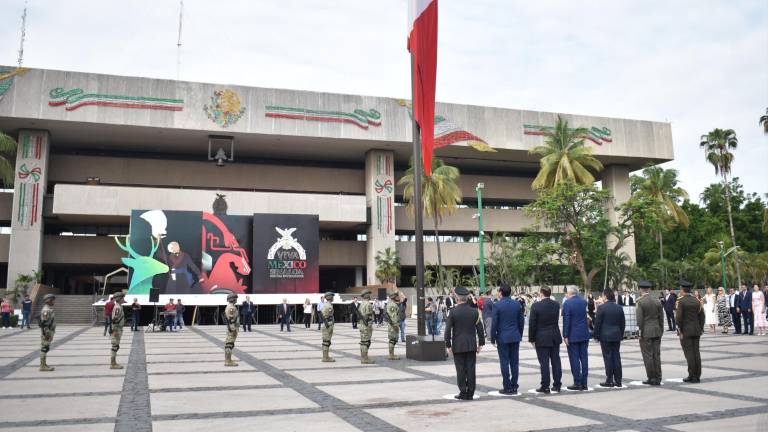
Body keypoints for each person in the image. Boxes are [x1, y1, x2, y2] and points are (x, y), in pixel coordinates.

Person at [444, 286, 485, 401]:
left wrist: (448, 345)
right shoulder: (474, 312)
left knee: (460, 369)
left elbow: (447, 330)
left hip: (458, 345)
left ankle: (463, 391)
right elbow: (480, 329)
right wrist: (481, 343)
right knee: (471, 369)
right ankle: (470, 392)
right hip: (471, 344)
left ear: (457, 298)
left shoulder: (453, 312)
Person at [490, 283, 524, 395]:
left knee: (504, 363)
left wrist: (493, 338)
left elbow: (494, 323)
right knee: (515, 363)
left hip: (503, 337)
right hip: (515, 336)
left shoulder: (497, 305)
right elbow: (521, 322)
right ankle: (514, 385)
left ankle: (507, 386)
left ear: (500, 292)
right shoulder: (517, 304)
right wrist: (520, 334)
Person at [528, 286, 563, 394]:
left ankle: (545, 386)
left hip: (542, 336)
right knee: (556, 361)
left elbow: (532, 324)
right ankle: (557, 385)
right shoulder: (556, 304)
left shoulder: (536, 306)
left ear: (541, 294)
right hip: (554, 335)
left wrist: (532, 339)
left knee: (544, 363)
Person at [594, 288, 625, 388]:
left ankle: (609, 380)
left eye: (603, 295)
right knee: (616, 357)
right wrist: (621, 334)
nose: (602, 297)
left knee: (608, 358)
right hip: (616, 335)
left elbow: (597, 323)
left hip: (605, 336)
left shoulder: (601, 308)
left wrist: (596, 336)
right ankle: (618, 380)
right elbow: (622, 323)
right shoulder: (619, 307)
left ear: (605, 296)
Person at [676, 279, 705, 383]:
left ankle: (692, 375)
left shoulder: (681, 301)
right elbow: (702, 316)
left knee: (689, 354)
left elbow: (678, 318)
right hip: (696, 330)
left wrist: (680, 330)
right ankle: (697, 375)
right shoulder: (697, 300)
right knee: (696, 352)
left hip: (686, 331)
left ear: (682, 290)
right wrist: (701, 328)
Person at [562, 286, 590, 391]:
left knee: (574, 359)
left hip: (573, 335)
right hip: (584, 334)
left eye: (566, 293)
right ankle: (585, 383)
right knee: (584, 358)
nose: (566, 295)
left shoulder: (567, 303)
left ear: (570, 293)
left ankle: (577, 382)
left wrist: (565, 335)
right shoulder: (583, 302)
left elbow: (567, 320)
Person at [636, 280, 663, 386]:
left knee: (648, 356)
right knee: (656, 355)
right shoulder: (657, 301)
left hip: (646, 332)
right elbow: (661, 317)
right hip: (657, 330)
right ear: (649, 289)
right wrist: (661, 329)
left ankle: (651, 378)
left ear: (640, 289)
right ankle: (658, 377)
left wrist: (639, 333)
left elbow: (640, 320)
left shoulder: (640, 301)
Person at [39, 294, 56, 372]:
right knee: (44, 348)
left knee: (46, 347)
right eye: (53, 300)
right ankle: (42, 366)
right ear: (48, 300)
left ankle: (44, 364)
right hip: (47, 332)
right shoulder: (46, 310)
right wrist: (47, 333)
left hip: (49, 331)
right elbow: (44, 323)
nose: (54, 301)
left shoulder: (49, 309)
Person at [110, 292, 126, 369]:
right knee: (115, 346)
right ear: (119, 299)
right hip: (116, 329)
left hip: (118, 329)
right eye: (123, 298)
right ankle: (113, 364)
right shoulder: (117, 308)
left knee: (116, 346)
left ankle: (114, 362)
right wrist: (115, 331)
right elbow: (114, 320)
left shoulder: (119, 306)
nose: (124, 299)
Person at [358, 289, 375, 364]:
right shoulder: (367, 304)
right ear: (366, 295)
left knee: (363, 342)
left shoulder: (362, 303)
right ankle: (365, 358)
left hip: (362, 325)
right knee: (366, 342)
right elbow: (367, 316)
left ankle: (363, 357)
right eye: (369, 294)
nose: (370, 295)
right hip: (366, 325)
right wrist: (368, 325)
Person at [224, 293, 239, 366]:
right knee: (229, 344)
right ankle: (228, 361)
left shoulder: (231, 306)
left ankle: (228, 360)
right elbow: (231, 320)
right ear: (232, 299)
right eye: (235, 298)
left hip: (232, 328)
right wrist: (233, 330)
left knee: (230, 344)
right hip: (231, 329)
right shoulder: (231, 308)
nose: (236, 299)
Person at [320, 292, 336, 362]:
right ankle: (325, 357)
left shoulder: (328, 304)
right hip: (327, 325)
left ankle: (326, 356)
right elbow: (327, 315)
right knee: (326, 341)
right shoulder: (328, 305)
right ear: (330, 297)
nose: (333, 297)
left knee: (327, 341)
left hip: (328, 324)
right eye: (332, 296)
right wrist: (328, 324)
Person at [386, 292, 402, 360]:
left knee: (392, 339)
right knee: (393, 340)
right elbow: (393, 316)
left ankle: (391, 354)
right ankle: (391, 355)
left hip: (392, 324)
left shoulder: (390, 304)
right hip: (393, 325)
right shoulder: (393, 305)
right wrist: (396, 326)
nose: (398, 297)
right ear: (394, 297)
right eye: (396, 296)